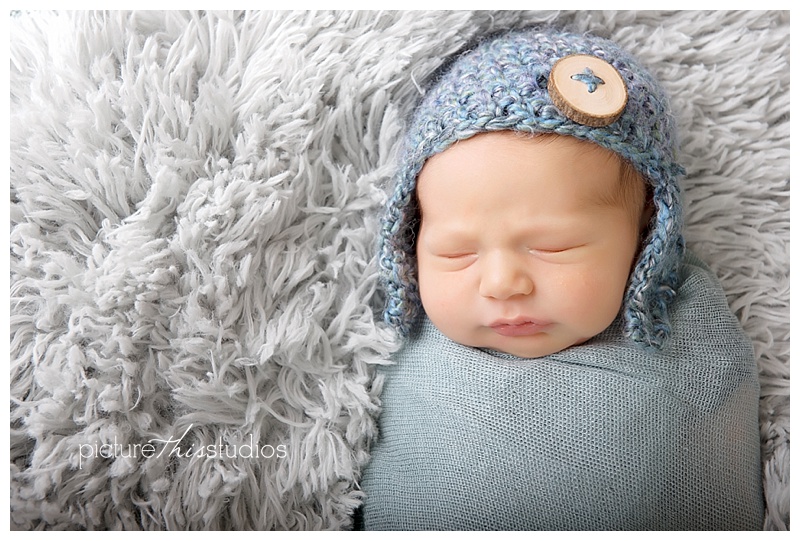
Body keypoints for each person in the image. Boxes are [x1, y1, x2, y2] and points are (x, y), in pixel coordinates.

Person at [358, 28, 764, 530]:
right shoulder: (387, 354)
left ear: (645, 238)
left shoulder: (695, 343)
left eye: (554, 247)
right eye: (456, 252)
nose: (503, 283)